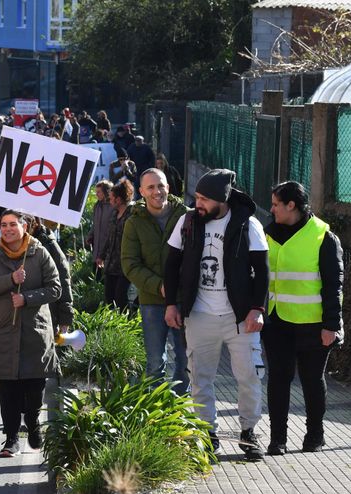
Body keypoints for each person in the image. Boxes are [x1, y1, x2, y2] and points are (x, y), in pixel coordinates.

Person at [164, 169, 269, 460]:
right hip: (199, 315)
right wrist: (172, 304)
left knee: (249, 376)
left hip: (240, 317)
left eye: (203, 199)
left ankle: (249, 434)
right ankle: (207, 435)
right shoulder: (188, 222)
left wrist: (257, 309)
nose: (197, 203)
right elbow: (171, 264)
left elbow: (262, 272)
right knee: (200, 377)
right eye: (196, 197)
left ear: (221, 200)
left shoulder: (249, 225)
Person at [263, 181, 343, 455]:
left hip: (313, 325)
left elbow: (334, 285)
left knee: (312, 380)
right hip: (277, 323)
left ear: (291, 206)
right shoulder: (268, 233)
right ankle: (278, 439)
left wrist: (331, 326)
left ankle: (315, 436)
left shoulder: (323, 236)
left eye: (275, 204)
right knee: (278, 379)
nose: (271, 209)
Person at [0, 210, 61, 457]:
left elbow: (55, 288)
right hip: (3, 330)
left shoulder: (39, 252)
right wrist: (10, 279)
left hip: (34, 331)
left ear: (25, 226)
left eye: (13, 224)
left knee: (34, 387)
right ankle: (10, 438)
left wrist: (27, 298)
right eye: (3, 225)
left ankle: (33, 425)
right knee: (9, 389)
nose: (7, 229)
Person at [121, 169, 190, 395]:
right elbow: (130, 264)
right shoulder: (134, 223)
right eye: (150, 187)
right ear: (141, 192)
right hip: (151, 301)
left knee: (185, 361)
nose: (156, 192)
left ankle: (182, 414)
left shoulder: (187, 217)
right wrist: (159, 285)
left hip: (184, 300)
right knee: (154, 363)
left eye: (160, 186)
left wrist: (177, 287)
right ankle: (157, 415)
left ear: (168, 187)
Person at [100, 179, 133, 309]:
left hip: (124, 266)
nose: (110, 201)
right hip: (111, 265)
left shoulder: (131, 215)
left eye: (112, 198)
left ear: (119, 199)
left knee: (120, 298)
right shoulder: (114, 214)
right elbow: (110, 237)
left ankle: (124, 325)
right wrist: (101, 255)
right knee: (109, 297)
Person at [86, 180, 113, 276]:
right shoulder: (97, 206)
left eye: (98, 192)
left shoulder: (113, 207)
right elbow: (95, 224)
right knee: (96, 277)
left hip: (109, 253)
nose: (96, 194)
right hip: (97, 251)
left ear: (106, 192)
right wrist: (90, 236)